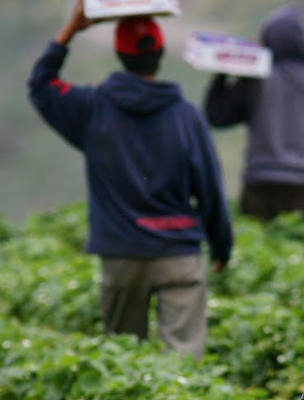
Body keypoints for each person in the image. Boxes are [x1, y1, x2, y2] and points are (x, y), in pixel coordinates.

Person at [27, 1, 233, 359]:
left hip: (121, 253)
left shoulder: (91, 108)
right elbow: (211, 188)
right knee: (183, 366)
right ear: (160, 52)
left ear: (120, 55)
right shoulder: (187, 117)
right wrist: (221, 245)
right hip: (179, 251)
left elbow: (41, 85)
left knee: (123, 362)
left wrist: (70, 31)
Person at [204, 2, 304, 221]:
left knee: (258, 247)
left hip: (260, 180)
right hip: (301, 183)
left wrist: (222, 74)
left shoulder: (255, 79)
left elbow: (217, 116)